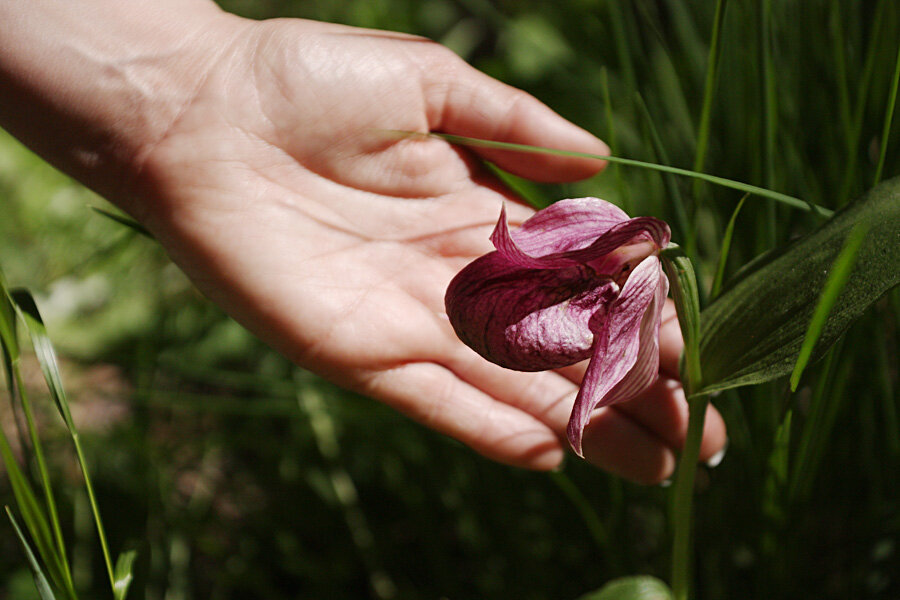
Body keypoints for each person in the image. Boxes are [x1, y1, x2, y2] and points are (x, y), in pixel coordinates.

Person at [0, 0, 726, 484]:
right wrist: (197, 80)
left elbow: (606, 358)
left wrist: (195, 81)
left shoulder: (640, 271)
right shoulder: (607, 232)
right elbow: (524, 244)